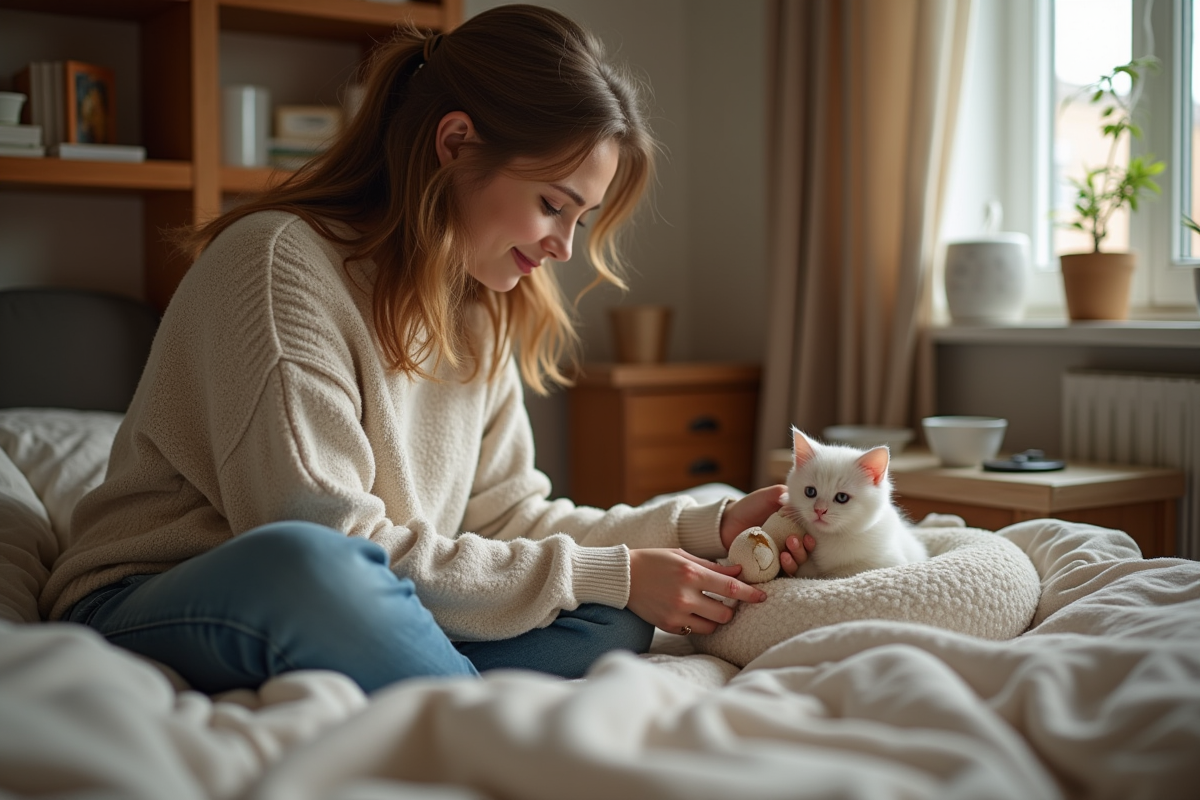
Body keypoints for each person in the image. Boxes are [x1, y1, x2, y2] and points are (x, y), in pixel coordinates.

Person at [40, 4, 815, 695]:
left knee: (612, 616)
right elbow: (328, 540)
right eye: (554, 205)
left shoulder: (481, 304)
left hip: (374, 594)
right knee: (316, 568)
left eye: (580, 220)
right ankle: (466, 714)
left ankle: (422, 676)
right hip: (159, 596)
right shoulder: (275, 264)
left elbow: (511, 520)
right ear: (455, 142)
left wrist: (701, 531)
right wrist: (608, 573)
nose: (565, 248)